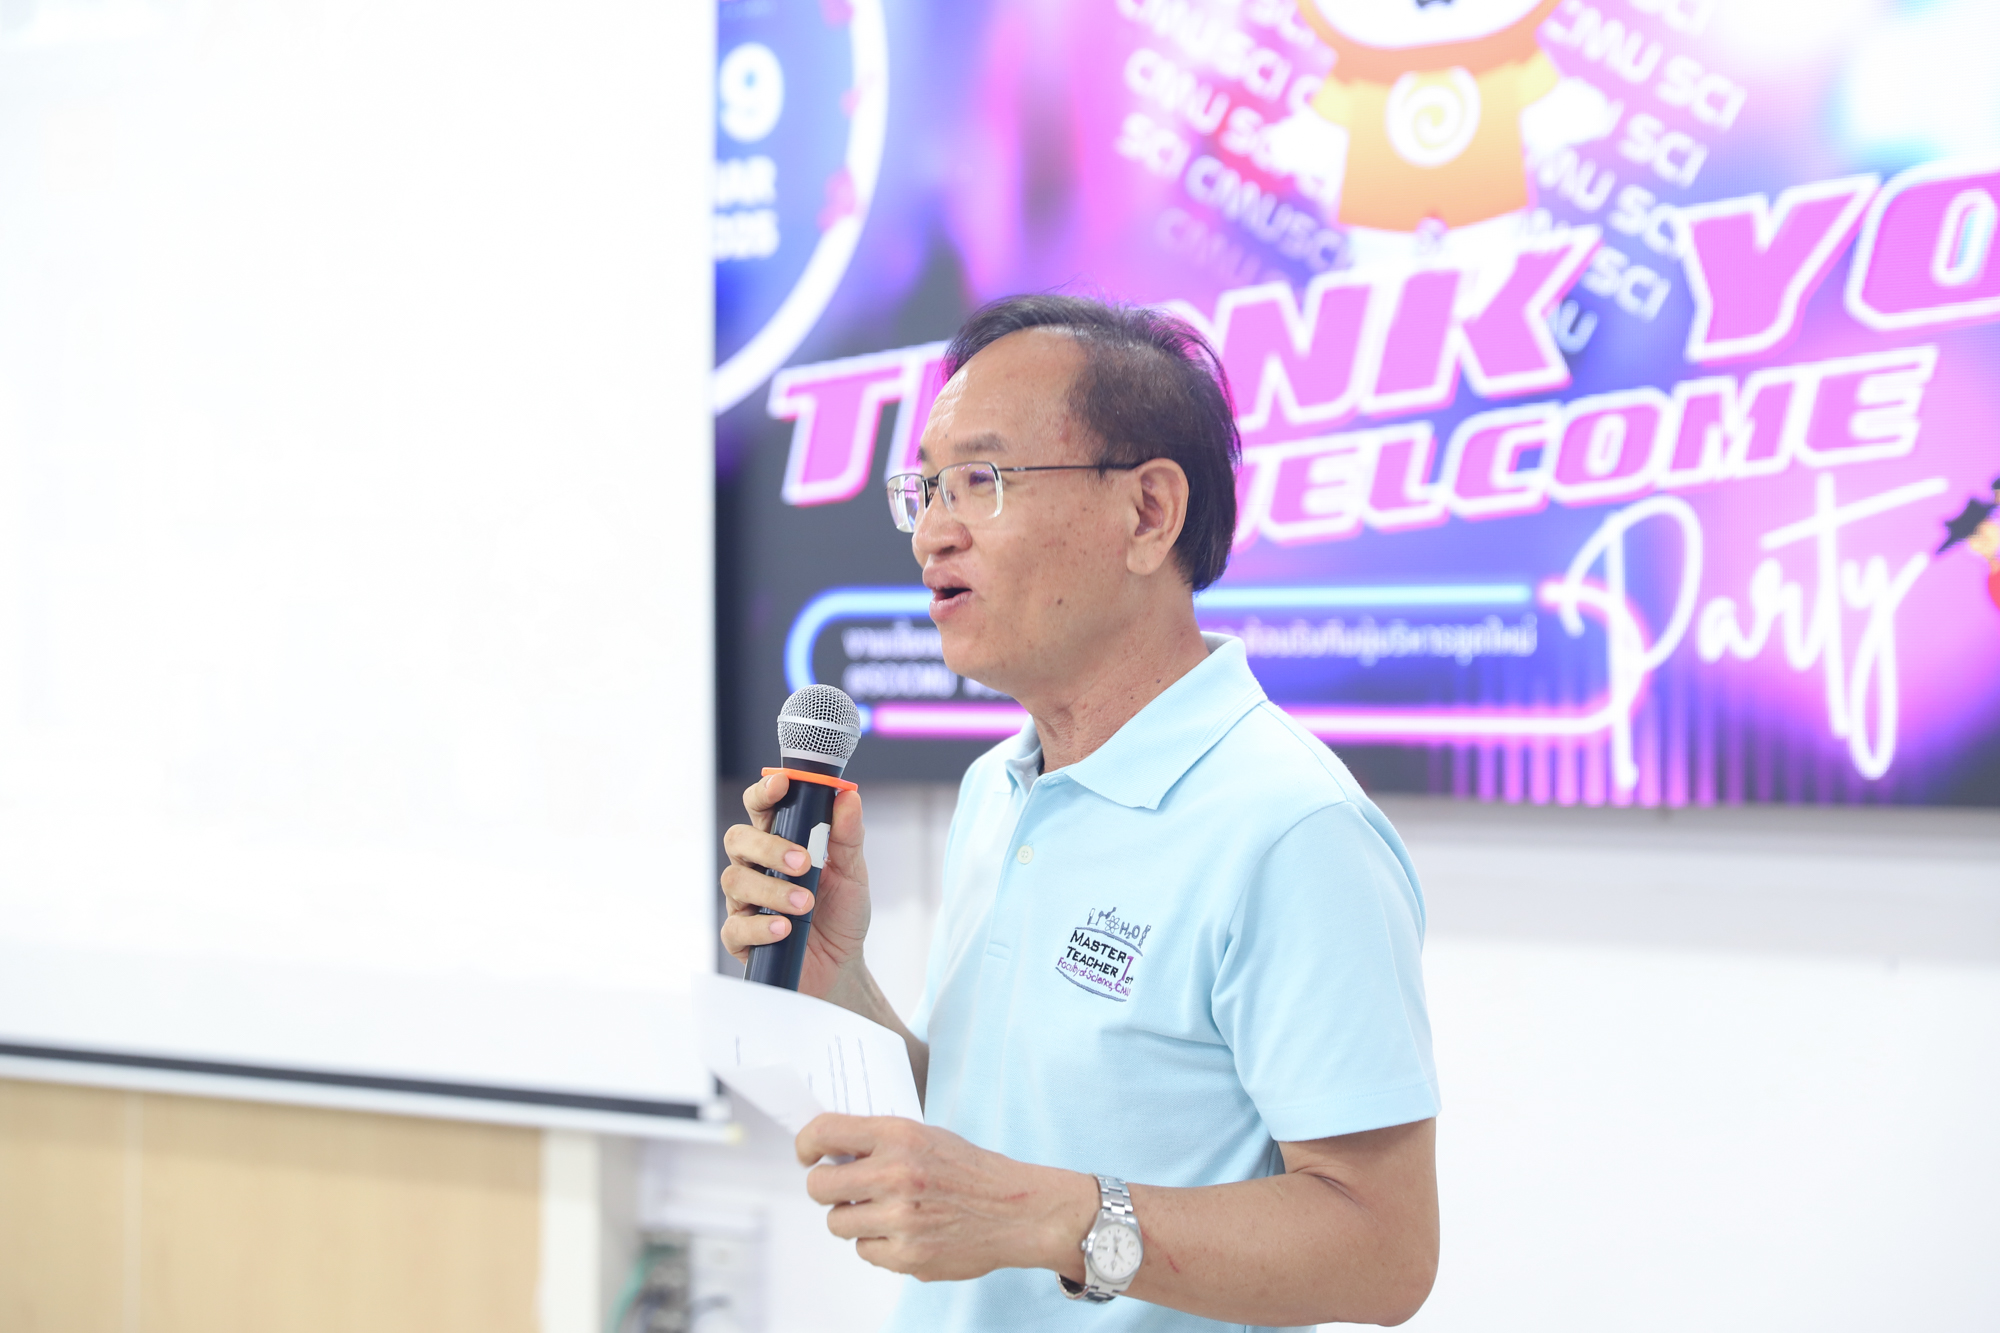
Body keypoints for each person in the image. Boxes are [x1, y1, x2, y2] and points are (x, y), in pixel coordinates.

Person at [720, 294, 1439, 1331]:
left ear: (1147, 512)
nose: (933, 532)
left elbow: (1382, 1251)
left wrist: (1046, 1216)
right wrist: (840, 977)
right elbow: (984, 1134)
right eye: (926, 488)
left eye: (982, 480)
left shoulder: (1291, 827)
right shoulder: (996, 787)